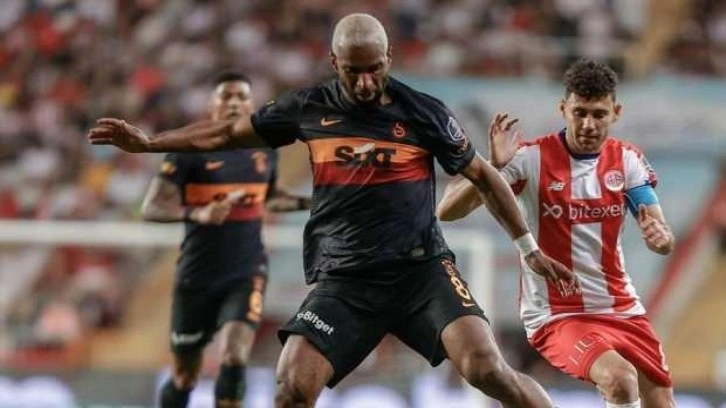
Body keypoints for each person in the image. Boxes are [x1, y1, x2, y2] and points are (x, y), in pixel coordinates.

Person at [89, 13, 576, 408]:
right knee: (291, 388)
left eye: (374, 69)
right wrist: (151, 143)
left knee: (487, 369)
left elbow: (483, 176)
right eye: (352, 71)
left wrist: (528, 247)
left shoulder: (423, 112)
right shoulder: (307, 107)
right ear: (334, 62)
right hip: (345, 280)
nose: (365, 83)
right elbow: (226, 133)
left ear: (389, 58)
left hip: (421, 272)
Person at [437, 58, 676, 408]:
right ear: (563, 109)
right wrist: (493, 166)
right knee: (620, 379)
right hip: (558, 312)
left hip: (622, 308)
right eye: (579, 113)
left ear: (616, 113)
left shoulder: (627, 160)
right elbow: (447, 210)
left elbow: (661, 233)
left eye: (599, 114)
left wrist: (660, 237)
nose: (588, 124)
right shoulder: (529, 159)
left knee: (661, 403)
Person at [140, 72, 312, 408]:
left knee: (235, 355)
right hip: (197, 275)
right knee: (184, 376)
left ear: (251, 105)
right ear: (212, 104)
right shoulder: (188, 149)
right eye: (226, 97)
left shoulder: (265, 149)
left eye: (241, 97)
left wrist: (313, 202)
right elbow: (152, 207)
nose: (234, 103)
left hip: (246, 271)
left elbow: (270, 198)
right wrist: (198, 213)